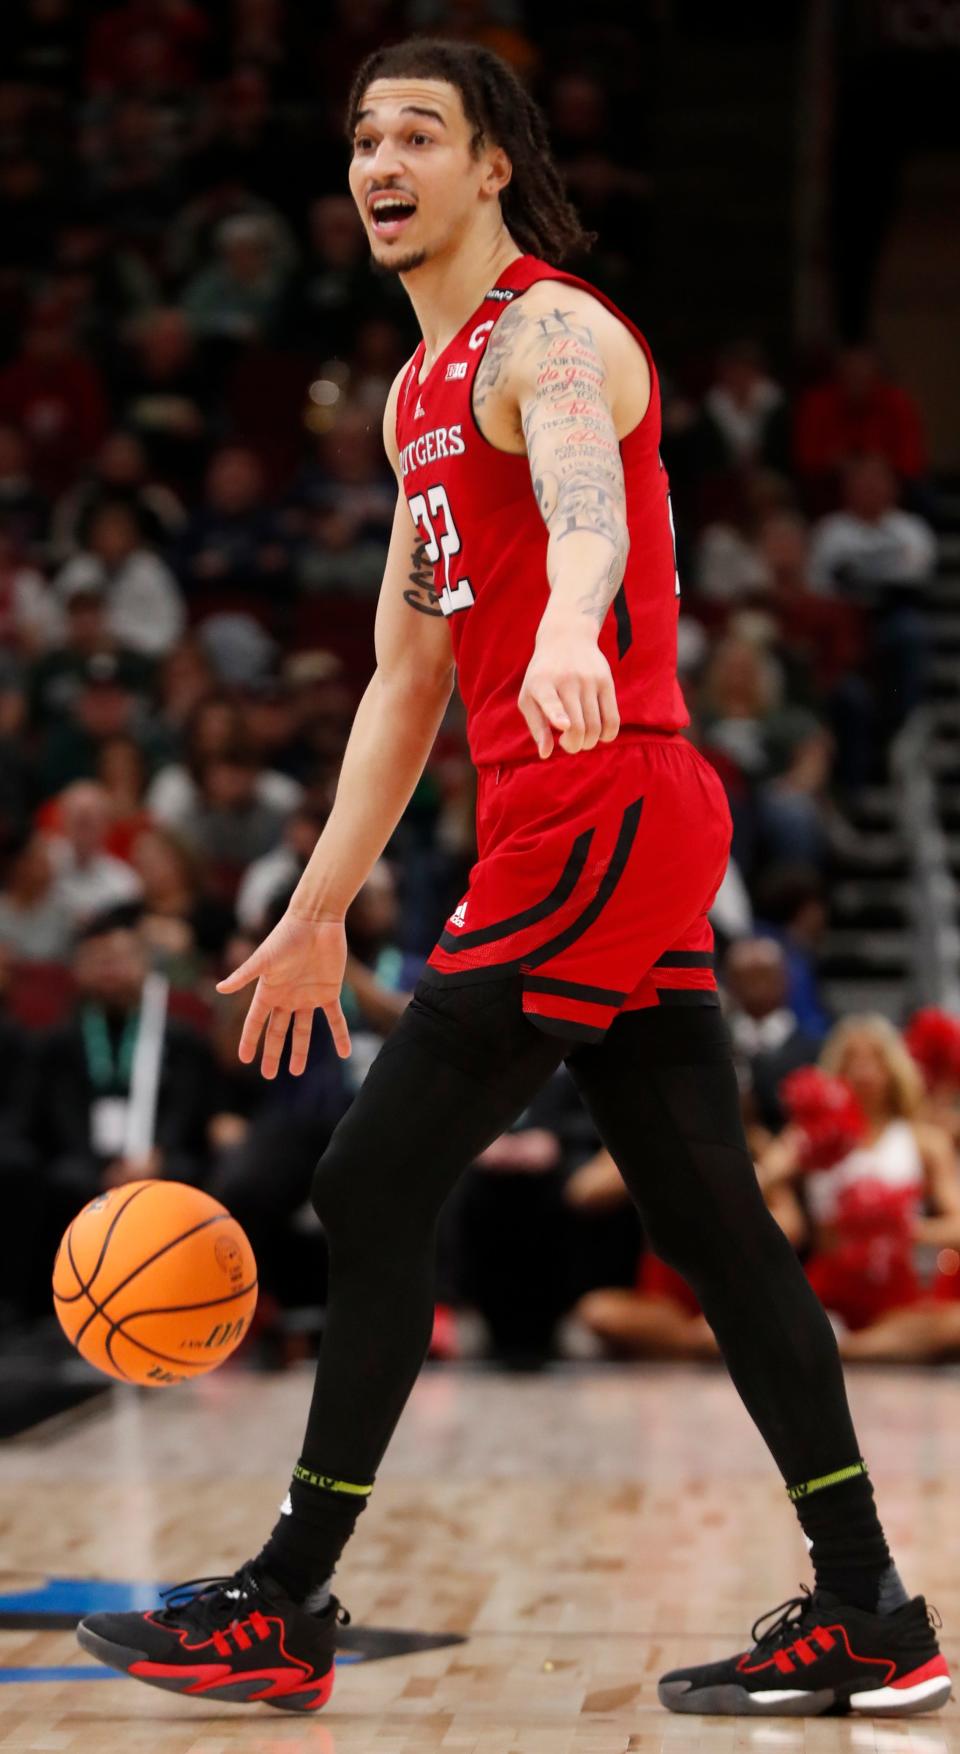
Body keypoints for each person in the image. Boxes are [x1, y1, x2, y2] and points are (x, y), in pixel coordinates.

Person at [78, 38, 949, 1721]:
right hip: (574, 820)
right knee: (708, 1220)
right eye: (359, 139)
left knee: (371, 1180)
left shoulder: (551, 331)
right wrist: (324, 901)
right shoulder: (415, 400)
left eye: (419, 133)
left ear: (494, 167)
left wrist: (563, 626)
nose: (378, 160)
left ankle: (285, 1599)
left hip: (607, 791)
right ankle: (872, 1611)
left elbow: (584, 508)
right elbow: (405, 684)